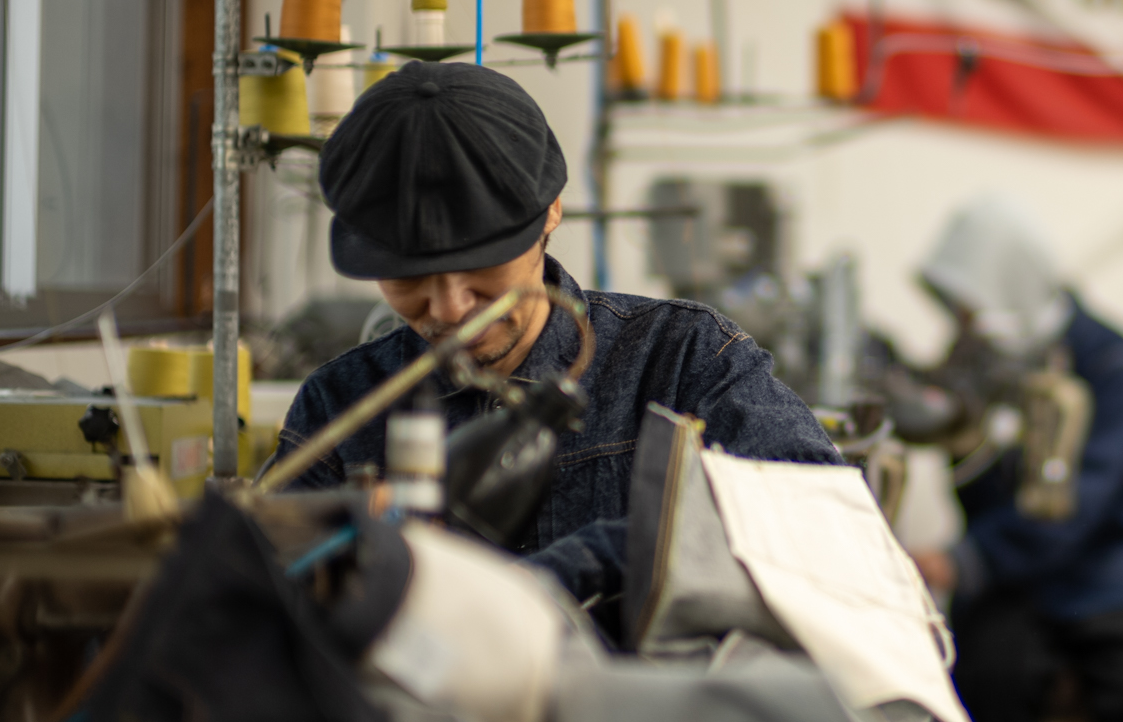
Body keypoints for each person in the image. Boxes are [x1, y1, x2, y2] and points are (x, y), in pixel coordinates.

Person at [273, 62, 840, 604]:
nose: (449, 308)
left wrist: (570, 570)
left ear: (550, 212)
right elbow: (264, 592)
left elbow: (816, 514)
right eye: (407, 278)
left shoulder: (682, 359)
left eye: (481, 266)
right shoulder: (342, 406)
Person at [906, 196, 1123, 722]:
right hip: (1012, 578)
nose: (963, 321)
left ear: (1009, 282)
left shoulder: (1105, 355)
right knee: (985, 687)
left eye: (969, 305)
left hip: (1112, 559)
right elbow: (971, 483)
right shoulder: (972, 364)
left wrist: (967, 559)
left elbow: (1091, 490)